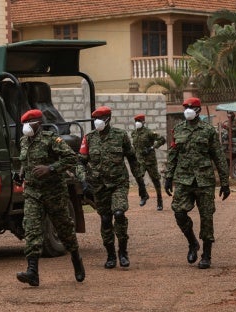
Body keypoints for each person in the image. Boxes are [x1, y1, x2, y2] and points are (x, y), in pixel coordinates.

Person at [15, 109, 84, 286]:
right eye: (23, 124)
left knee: (64, 229)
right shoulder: (24, 141)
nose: (25, 128)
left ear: (37, 124)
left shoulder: (51, 139)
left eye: (28, 124)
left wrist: (50, 168)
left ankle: (76, 259)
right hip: (32, 194)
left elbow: (71, 158)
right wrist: (20, 174)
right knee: (31, 229)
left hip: (54, 193)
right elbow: (25, 162)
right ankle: (32, 272)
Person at [164, 97, 230, 269]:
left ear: (199, 110)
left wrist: (224, 182)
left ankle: (206, 255)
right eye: (186, 107)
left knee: (206, 217)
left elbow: (219, 157)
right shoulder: (177, 130)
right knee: (179, 213)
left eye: (191, 108)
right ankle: (192, 242)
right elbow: (173, 155)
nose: (188, 110)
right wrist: (168, 177)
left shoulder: (208, 131)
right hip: (183, 179)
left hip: (204, 181)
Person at [79, 106, 144, 269]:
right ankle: (110, 255)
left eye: (100, 119)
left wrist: (141, 184)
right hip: (99, 186)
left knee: (119, 213)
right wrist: (83, 181)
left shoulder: (120, 136)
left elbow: (132, 159)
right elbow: (80, 162)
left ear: (108, 119)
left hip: (118, 183)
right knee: (106, 219)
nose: (97, 122)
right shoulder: (89, 138)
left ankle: (123, 252)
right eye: (95, 119)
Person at [131, 113, 166, 211]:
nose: (137, 123)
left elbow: (162, 139)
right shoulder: (134, 133)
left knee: (155, 180)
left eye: (139, 121)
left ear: (143, 122)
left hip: (150, 161)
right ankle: (144, 195)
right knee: (139, 178)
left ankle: (159, 200)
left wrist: (152, 148)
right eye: (136, 121)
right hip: (139, 161)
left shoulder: (149, 132)